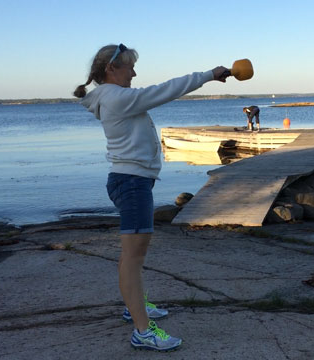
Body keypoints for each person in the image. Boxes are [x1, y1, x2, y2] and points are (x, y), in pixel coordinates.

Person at [73, 43, 230, 352]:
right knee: (133, 258)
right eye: (129, 66)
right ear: (111, 70)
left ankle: (134, 306)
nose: (134, 72)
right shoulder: (118, 97)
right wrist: (209, 74)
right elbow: (167, 89)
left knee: (131, 256)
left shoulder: (112, 97)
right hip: (131, 184)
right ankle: (142, 331)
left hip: (131, 181)